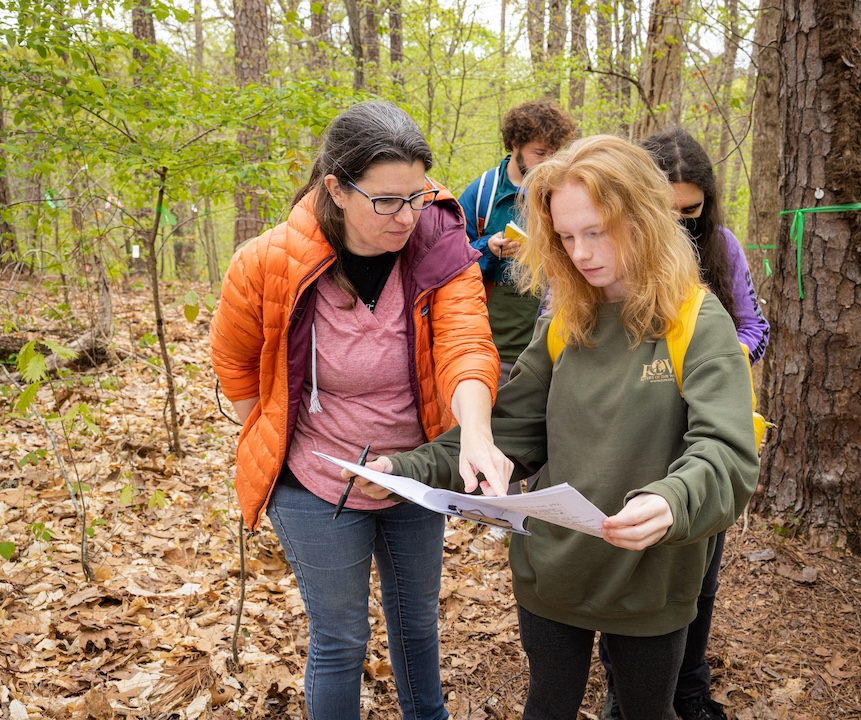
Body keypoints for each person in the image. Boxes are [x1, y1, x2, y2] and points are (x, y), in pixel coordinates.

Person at [350, 135, 760, 720]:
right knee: (548, 705)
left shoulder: (696, 321)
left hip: (649, 575)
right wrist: (404, 468)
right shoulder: (570, 317)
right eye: (566, 237)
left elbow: (725, 451)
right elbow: (514, 429)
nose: (582, 253)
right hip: (553, 573)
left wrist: (673, 500)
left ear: (644, 218)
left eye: (597, 231)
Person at [209, 100, 511, 720]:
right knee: (342, 638)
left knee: (417, 626)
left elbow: (465, 345)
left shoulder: (439, 247)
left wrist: (475, 437)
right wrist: (274, 435)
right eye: (385, 201)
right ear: (335, 190)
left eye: (416, 196)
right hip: (314, 484)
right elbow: (236, 365)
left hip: (413, 474)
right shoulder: (269, 263)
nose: (405, 216)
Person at [597, 127, 772, 720]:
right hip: (627, 431)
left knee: (699, 569)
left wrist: (709, 364)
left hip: (706, 430)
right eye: (662, 212)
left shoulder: (721, 246)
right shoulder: (608, 255)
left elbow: (755, 329)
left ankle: (687, 688)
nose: (678, 226)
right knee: (622, 561)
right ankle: (626, 689)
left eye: (690, 212)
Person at [458, 100, 576, 389]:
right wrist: (489, 246)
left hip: (551, 346)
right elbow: (449, 261)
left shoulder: (561, 192)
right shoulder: (482, 192)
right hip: (491, 347)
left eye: (554, 153)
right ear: (514, 144)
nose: (548, 162)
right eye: (539, 153)